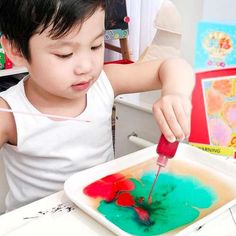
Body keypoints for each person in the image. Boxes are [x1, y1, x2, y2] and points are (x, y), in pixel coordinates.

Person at [0, 0, 195, 211]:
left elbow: (174, 65)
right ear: (17, 50)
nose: (86, 66)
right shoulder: (9, 113)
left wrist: (175, 94)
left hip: (101, 211)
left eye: (95, 46)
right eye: (64, 54)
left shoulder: (104, 82)